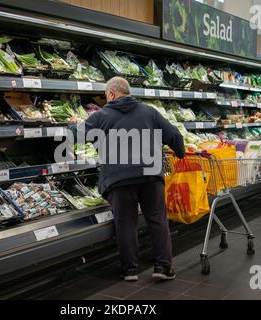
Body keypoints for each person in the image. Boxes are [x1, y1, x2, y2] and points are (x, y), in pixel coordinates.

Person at [69, 76, 185, 281]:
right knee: (157, 220)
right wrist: (180, 152)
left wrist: (73, 124)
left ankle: (130, 270)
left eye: (106, 96)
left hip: (118, 178)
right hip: (150, 175)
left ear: (112, 94)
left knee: (125, 224)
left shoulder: (102, 115)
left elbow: (78, 136)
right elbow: (174, 135)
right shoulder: (150, 112)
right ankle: (163, 267)